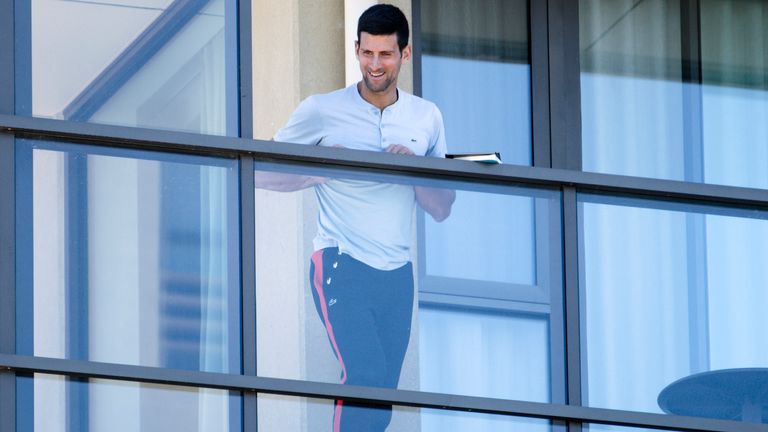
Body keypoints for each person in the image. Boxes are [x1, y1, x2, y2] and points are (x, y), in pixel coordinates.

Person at [257, 4, 455, 431]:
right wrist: (321, 167)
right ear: (356, 50)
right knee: (363, 374)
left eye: (385, 55)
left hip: (397, 272)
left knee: (382, 391)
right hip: (340, 260)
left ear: (404, 54)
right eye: (367, 54)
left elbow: (441, 207)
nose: (374, 65)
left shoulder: (426, 117)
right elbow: (260, 172)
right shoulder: (321, 110)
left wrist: (413, 170)